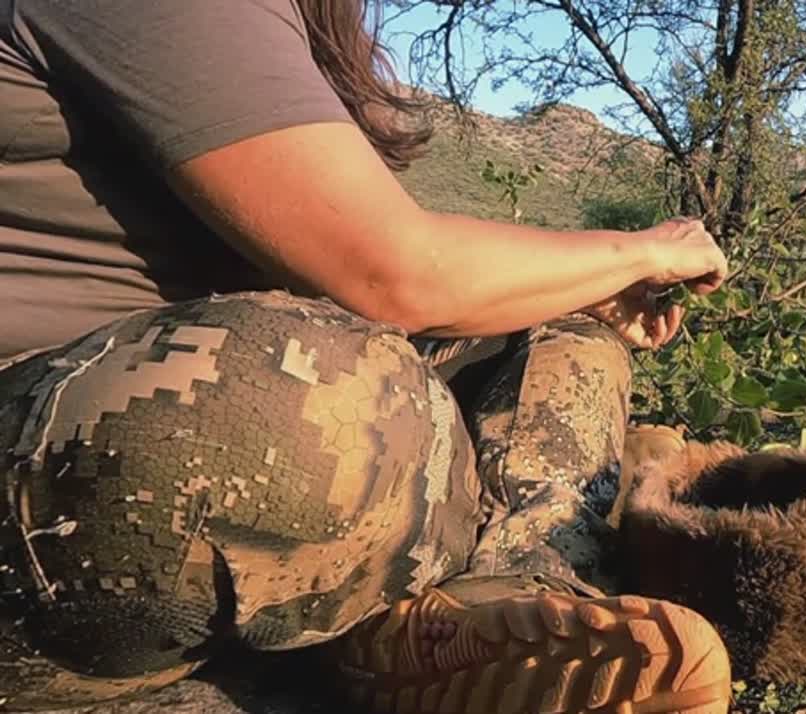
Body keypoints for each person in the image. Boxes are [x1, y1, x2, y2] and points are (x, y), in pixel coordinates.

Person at [0, 1, 734, 712]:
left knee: (566, 335)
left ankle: (503, 599)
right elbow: (392, 274)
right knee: (320, 402)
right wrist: (645, 251)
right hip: (55, 449)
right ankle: (382, 610)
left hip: (155, 444)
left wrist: (578, 290)